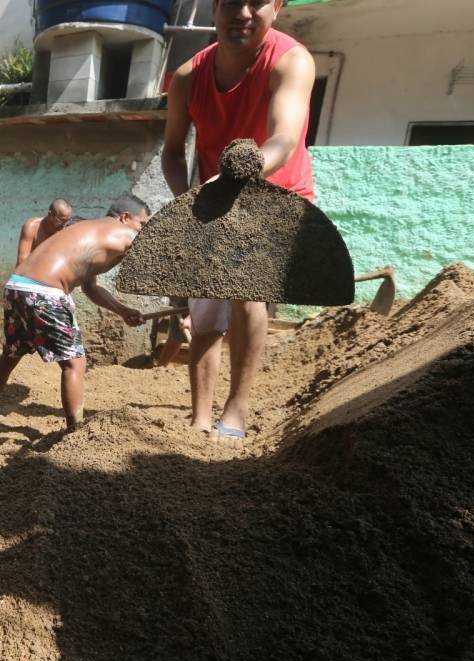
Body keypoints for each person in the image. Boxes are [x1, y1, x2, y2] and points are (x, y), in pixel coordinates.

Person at [160, 0, 315, 442]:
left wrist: (247, 166)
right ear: (213, 8)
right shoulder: (189, 76)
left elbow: (284, 138)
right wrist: (190, 201)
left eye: (257, 1)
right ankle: (201, 415)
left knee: (246, 288)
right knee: (205, 307)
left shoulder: (291, 61)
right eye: (230, 1)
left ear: (278, 6)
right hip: (213, 197)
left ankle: (237, 408)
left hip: (276, 193)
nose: (242, 12)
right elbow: (172, 152)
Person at [0, 195, 148, 430]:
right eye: (142, 224)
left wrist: (123, 310)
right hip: (44, 293)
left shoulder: (87, 231)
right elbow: (148, 248)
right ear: (125, 217)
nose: (143, 231)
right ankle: (74, 433)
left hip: (17, 288)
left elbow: (91, 288)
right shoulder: (121, 232)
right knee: (75, 364)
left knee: (10, 356)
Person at [16, 198, 73, 266]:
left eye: (68, 220)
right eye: (62, 220)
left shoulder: (68, 228)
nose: (65, 224)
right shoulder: (32, 227)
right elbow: (22, 261)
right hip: (32, 270)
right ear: (50, 214)